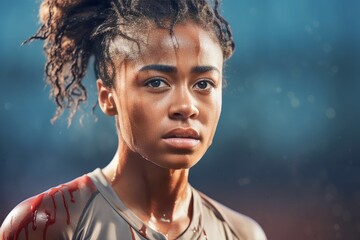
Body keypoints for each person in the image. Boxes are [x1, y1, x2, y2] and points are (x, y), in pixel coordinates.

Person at [0, 0, 267, 239]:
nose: (186, 106)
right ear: (108, 97)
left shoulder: (241, 234)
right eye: (156, 82)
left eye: (204, 84)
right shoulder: (48, 223)